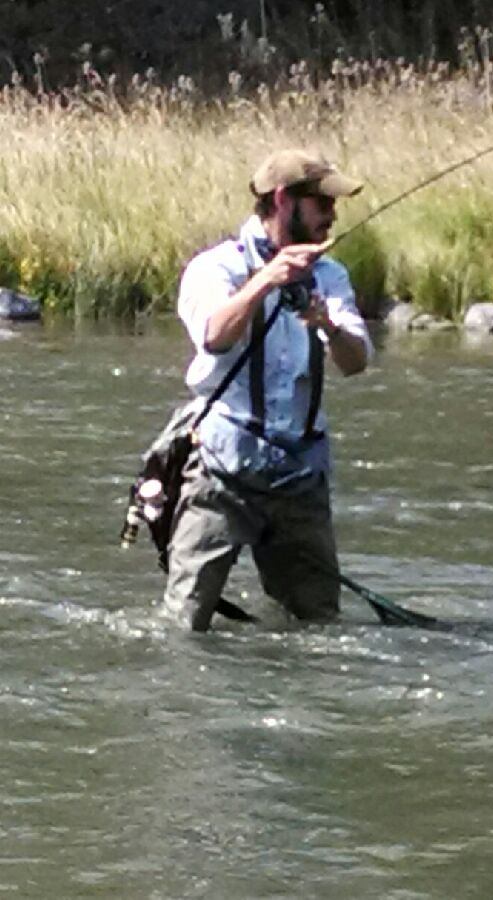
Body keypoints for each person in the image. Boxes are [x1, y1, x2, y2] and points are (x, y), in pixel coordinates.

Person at [162, 148, 373, 632]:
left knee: (319, 625)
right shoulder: (214, 268)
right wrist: (264, 282)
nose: (332, 215)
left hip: (300, 476)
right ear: (283, 201)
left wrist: (329, 327)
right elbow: (214, 335)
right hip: (221, 470)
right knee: (185, 624)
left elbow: (356, 362)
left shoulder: (330, 275)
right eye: (322, 204)